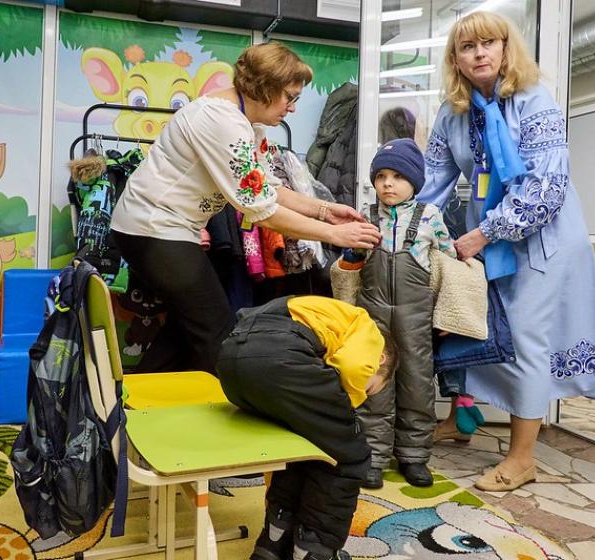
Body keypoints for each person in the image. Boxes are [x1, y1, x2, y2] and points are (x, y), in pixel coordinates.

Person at [110, 41, 381, 375]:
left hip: (162, 229)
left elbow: (268, 186)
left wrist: (325, 210)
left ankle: (139, 396)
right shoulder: (221, 120)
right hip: (152, 229)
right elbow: (261, 210)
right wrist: (334, 234)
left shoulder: (247, 124)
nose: (292, 108)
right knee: (215, 329)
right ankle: (213, 401)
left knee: (188, 327)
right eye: (289, 97)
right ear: (265, 87)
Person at [419, 11, 595, 492]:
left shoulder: (534, 100)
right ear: (455, 59)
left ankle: (522, 459)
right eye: (467, 47)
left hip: (542, 240)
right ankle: (462, 418)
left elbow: (546, 188)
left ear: (506, 48)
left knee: (524, 338)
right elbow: (432, 182)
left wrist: (484, 234)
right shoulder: (452, 113)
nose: (479, 53)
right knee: (476, 326)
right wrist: (404, 226)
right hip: (487, 237)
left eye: (489, 43)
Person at [216, 295, 394, 560]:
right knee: (348, 456)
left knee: (302, 446)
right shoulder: (368, 330)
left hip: (231, 364)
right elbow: (353, 365)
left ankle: (274, 542)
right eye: (370, 389)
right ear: (380, 360)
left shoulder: (319, 312)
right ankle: (313, 550)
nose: (363, 397)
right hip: (281, 358)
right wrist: (346, 407)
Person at [336, 139, 456, 490]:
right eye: (381, 176)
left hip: (415, 317)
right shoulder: (366, 217)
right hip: (372, 315)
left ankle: (414, 455)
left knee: (417, 384)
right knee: (374, 382)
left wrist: (448, 313)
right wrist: (352, 252)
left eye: (398, 176)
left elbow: (448, 265)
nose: (388, 183)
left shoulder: (430, 217)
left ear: (415, 181)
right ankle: (372, 455)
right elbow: (349, 265)